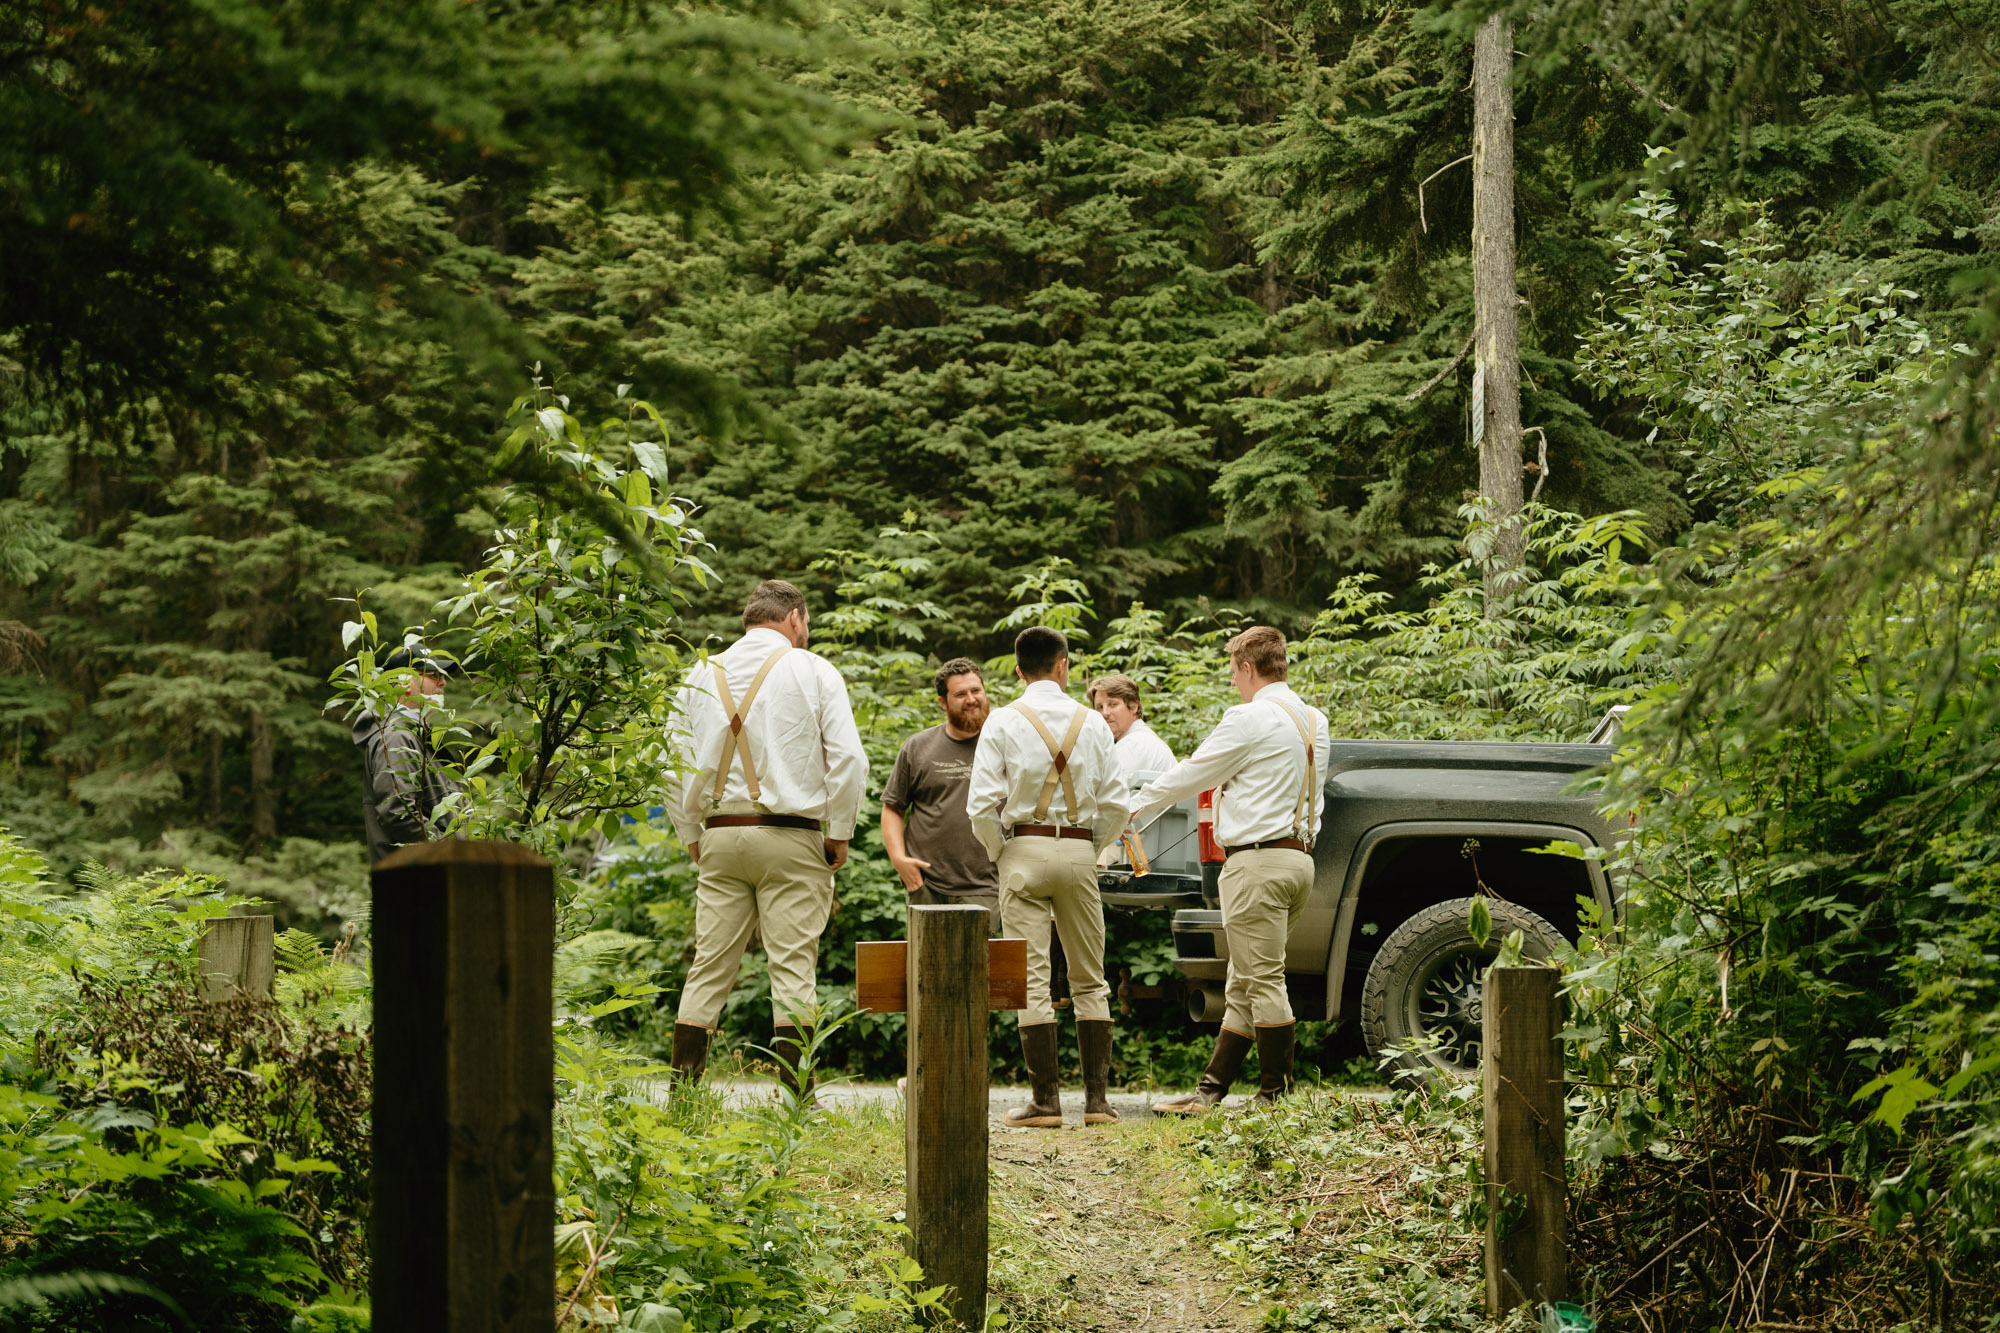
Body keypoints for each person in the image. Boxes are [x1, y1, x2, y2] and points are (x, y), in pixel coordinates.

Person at [667, 579, 868, 1097]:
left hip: (718, 836)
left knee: (709, 966)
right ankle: (796, 1100)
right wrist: (840, 832)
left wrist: (690, 831)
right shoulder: (814, 669)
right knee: (793, 967)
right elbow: (848, 759)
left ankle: (683, 1097)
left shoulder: (700, 672)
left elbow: (668, 764)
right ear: (795, 618)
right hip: (791, 835)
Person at [1125, 626, 1331, 1114]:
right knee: (1244, 977)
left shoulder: (1249, 717)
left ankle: (1275, 1098)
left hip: (1256, 864)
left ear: (1247, 667)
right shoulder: (1314, 720)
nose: (1233, 683)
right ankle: (1210, 1091)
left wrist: (1135, 806)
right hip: (1299, 860)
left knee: (1262, 980)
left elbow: (1194, 771)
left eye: (1233, 672)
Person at [967, 626, 1130, 1128]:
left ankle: (1045, 1103)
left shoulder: (1002, 721)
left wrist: (1003, 852)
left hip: (1023, 848)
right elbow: (1118, 803)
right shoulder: (1094, 722)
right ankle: (1098, 1104)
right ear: (1063, 665)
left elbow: (979, 807)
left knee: (1032, 979)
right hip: (1079, 850)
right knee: (1089, 975)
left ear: (1019, 670)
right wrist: (1092, 846)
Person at [882, 658, 1000, 930]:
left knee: (976, 969)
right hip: (926, 884)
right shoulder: (918, 747)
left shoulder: (1004, 745)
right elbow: (892, 809)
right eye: (960, 694)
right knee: (927, 968)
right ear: (943, 702)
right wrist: (899, 860)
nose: (971, 699)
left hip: (986, 884)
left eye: (976, 691)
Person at [352, 645, 462, 866]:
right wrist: (453, 854)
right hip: (420, 885)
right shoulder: (396, 737)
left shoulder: (412, 734)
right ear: (404, 684)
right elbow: (399, 816)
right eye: (433, 675)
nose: (443, 682)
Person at [1088, 673, 1176, 778]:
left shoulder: (1135, 744)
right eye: (1099, 707)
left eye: (1113, 704)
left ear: (1134, 706)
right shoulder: (1141, 738)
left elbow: (1110, 792)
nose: (1105, 713)